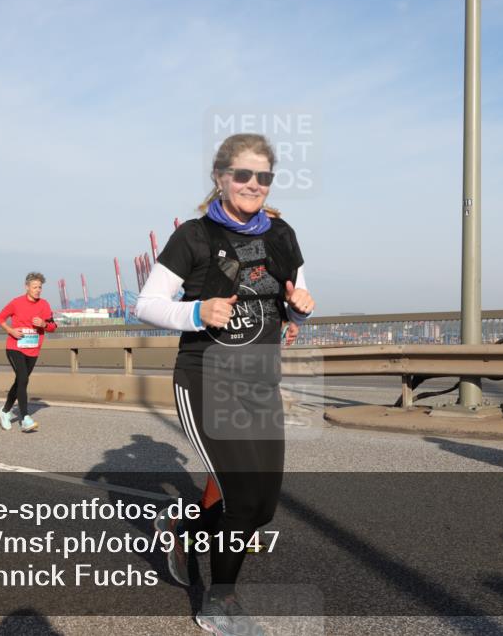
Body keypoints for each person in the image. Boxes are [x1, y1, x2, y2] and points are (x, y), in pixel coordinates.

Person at [136, 133, 314, 636]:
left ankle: (180, 530)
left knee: (261, 508)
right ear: (220, 177)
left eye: (264, 177)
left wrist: (297, 307)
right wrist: (196, 310)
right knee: (238, 498)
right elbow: (146, 304)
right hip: (206, 378)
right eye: (243, 175)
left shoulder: (281, 234)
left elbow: (292, 288)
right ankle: (219, 602)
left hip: (260, 381)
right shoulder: (193, 236)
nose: (254, 184)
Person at [0, 272, 57, 432]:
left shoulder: (44, 305)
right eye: (35, 287)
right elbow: (0, 318)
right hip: (15, 347)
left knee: (20, 382)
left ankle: (4, 411)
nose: (38, 290)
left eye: (40, 287)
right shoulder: (16, 303)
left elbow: (53, 327)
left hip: (33, 350)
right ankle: (25, 418)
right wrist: (11, 331)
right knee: (23, 379)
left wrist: (44, 323)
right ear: (27, 287)